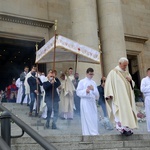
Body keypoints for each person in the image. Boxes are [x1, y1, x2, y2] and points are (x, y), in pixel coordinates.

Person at [104, 57, 138, 136]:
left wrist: (130, 81)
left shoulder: (127, 73)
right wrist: (109, 94)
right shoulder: (113, 72)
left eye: (126, 65)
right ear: (119, 64)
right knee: (119, 112)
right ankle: (122, 129)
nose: (125, 67)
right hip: (118, 98)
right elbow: (109, 83)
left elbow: (132, 84)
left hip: (127, 98)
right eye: (124, 65)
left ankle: (127, 128)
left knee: (127, 112)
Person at [76, 68, 99, 135]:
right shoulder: (82, 82)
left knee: (93, 117)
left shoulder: (93, 82)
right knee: (87, 117)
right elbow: (78, 92)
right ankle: (88, 133)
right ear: (86, 74)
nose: (91, 76)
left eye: (92, 74)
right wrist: (85, 91)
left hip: (92, 102)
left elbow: (97, 94)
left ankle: (94, 131)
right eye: (90, 74)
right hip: (85, 101)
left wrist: (93, 89)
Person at [140, 68, 150, 132]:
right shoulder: (144, 80)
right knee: (149, 113)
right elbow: (142, 89)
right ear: (147, 73)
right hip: (148, 97)